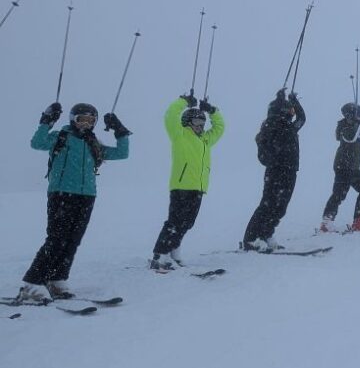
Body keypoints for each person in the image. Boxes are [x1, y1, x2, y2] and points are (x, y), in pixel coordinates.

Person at [16, 102, 130, 301]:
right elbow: (37, 142)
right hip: (62, 194)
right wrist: (46, 121)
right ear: (72, 120)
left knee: (72, 241)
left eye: (90, 120)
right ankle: (32, 284)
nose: (86, 124)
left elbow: (122, 153)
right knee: (56, 239)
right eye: (81, 119)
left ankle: (57, 279)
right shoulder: (61, 136)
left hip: (87, 196)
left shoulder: (93, 143)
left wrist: (120, 131)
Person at [150, 93, 225, 271]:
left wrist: (212, 111)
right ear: (187, 122)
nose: (200, 126)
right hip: (181, 186)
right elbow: (170, 115)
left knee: (187, 223)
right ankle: (160, 255)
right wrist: (184, 102)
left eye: (202, 123)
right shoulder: (180, 135)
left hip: (198, 188)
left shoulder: (205, 139)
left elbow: (220, 127)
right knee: (175, 222)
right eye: (196, 122)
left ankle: (174, 251)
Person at [243, 90, 305, 251]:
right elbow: (264, 151)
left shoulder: (290, 127)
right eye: (289, 110)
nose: (292, 113)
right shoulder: (271, 126)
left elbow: (302, 119)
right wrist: (280, 101)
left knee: (281, 206)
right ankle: (251, 239)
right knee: (268, 204)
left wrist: (294, 101)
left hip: (291, 170)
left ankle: (266, 233)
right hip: (276, 171)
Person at [321, 103, 360, 233]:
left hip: (352, 167)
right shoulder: (345, 126)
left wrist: (356, 123)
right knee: (339, 194)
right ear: (350, 114)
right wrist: (353, 123)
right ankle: (326, 223)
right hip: (344, 166)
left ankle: (358, 222)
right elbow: (349, 138)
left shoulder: (354, 125)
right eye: (358, 114)